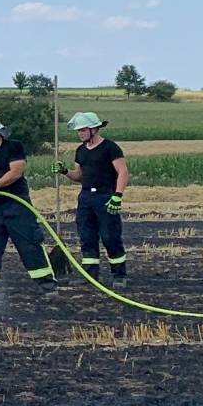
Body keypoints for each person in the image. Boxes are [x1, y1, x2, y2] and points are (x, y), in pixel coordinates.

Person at [0, 114, 61, 289]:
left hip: (17, 204)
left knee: (29, 242)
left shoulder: (13, 147)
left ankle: (46, 284)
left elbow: (16, 171)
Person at [55, 111, 128, 280]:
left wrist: (117, 195)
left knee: (110, 236)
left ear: (94, 129)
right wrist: (64, 171)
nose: (79, 134)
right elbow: (79, 176)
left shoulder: (110, 148)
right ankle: (90, 275)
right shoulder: (80, 151)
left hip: (105, 196)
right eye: (78, 131)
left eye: (83, 130)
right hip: (86, 197)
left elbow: (123, 172)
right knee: (86, 237)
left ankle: (119, 275)